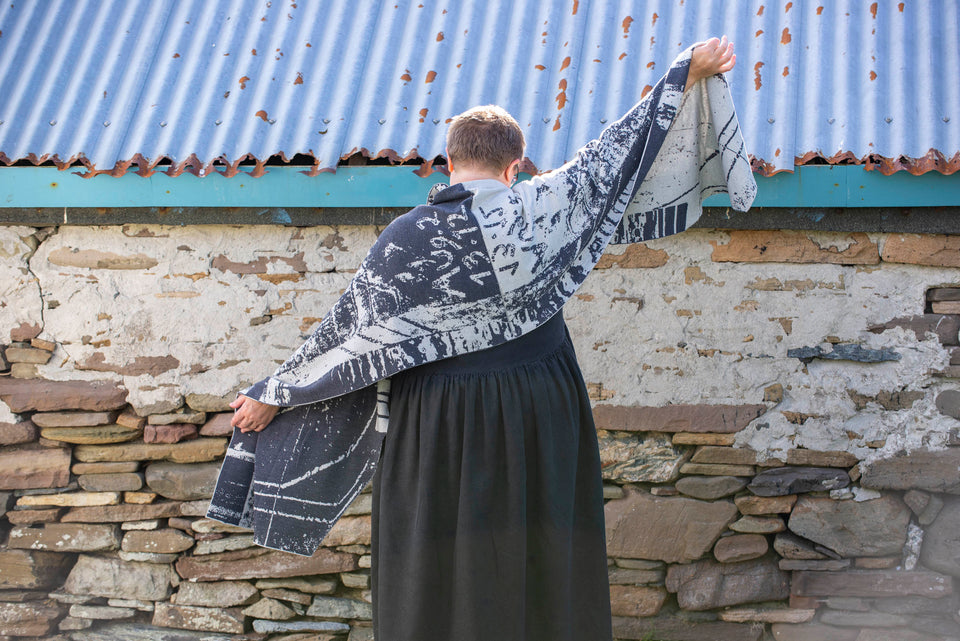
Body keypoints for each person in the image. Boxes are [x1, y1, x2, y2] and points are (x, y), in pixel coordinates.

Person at [212, 37, 749, 641]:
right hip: (540, 404)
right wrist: (685, 72)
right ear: (515, 166)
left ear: (447, 164)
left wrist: (275, 394)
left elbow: (348, 339)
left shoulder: (408, 237)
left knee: (437, 548)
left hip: (439, 416)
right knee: (543, 538)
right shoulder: (545, 207)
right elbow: (616, 155)